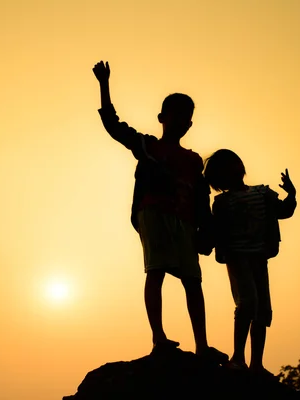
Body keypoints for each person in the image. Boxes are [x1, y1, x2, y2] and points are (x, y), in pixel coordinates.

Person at [92, 61, 226, 364]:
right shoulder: (149, 146)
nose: (181, 121)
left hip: (185, 223)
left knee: (193, 281)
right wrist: (104, 84)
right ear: (162, 118)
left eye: (186, 117)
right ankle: (159, 338)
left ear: (190, 124)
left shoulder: (194, 162)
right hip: (153, 212)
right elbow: (114, 127)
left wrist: (208, 233)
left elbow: (202, 201)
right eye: (175, 114)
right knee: (156, 272)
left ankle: (201, 346)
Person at [203, 149, 297, 376]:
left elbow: (284, 211)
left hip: (259, 257)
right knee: (248, 303)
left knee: (262, 309)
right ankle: (238, 357)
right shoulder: (222, 202)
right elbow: (215, 231)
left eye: (234, 164)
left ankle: (256, 363)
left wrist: (291, 195)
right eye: (226, 168)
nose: (234, 169)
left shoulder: (262, 193)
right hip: (237, 257)